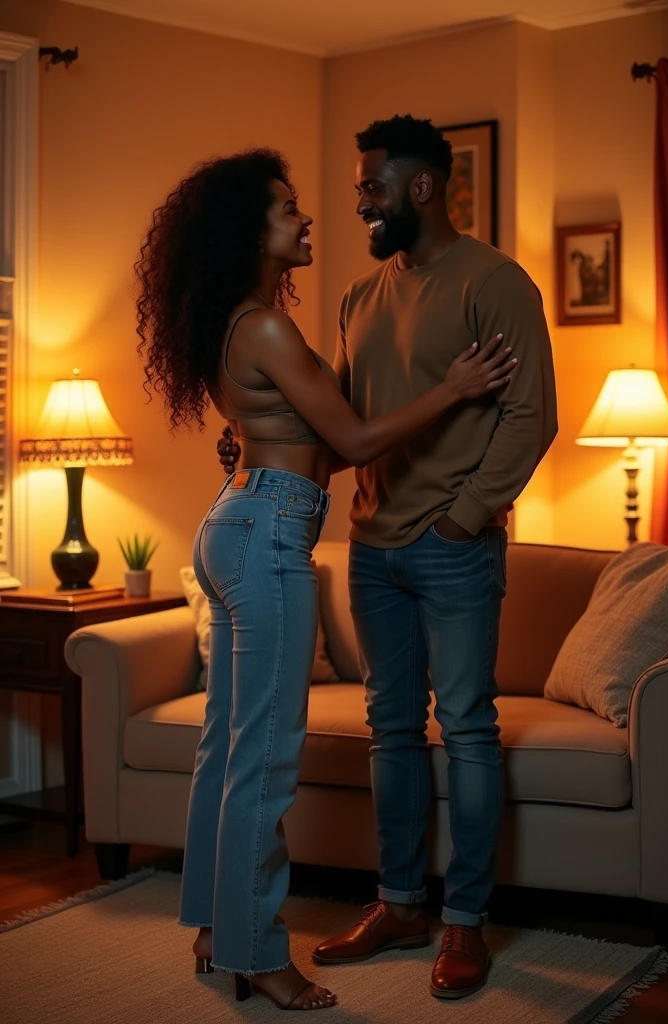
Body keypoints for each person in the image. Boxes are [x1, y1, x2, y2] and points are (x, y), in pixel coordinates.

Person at [135, 148, 515, 1012]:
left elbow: (315, 444)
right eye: (286, 211)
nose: (307, 220)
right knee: (265, 763)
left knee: (225, 747)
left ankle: (212, 926)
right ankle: (261, 954)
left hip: (239, 520)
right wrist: (455, 387)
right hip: (266, 534)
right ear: (249, 231)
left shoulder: (244, 320)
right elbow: (353, 441)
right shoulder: (264, 326)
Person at [218, 115, 558, 1001]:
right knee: (392, 730)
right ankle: (401, 903)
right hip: (371, 548)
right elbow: (341, 426)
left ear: (420, 188)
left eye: (371, 187)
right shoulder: (360, 298)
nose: (358, 203)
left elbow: (531, 415)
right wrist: (259, 451)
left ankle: (464, 924)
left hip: (452, 548)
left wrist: (467, 516)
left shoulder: (496, 283)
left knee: (470, 730)